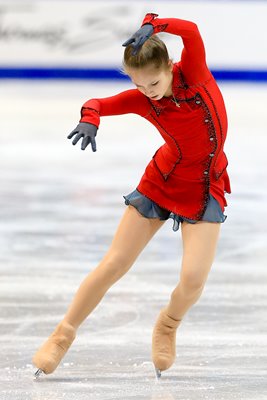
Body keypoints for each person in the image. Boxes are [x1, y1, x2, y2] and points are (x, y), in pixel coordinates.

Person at [32, 13, 231, 378]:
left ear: (171, 67)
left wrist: (155, 26)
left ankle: (167, 325)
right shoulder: (145, 101)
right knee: (114, 264)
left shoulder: (196, 74)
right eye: (140, 87)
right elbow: (98, 102)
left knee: (193, 279)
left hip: (205, 187)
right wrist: (90, 118)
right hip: (161, 182)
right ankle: (62, 335)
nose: (149, 92)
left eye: (154, 82)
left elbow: (192, 31)